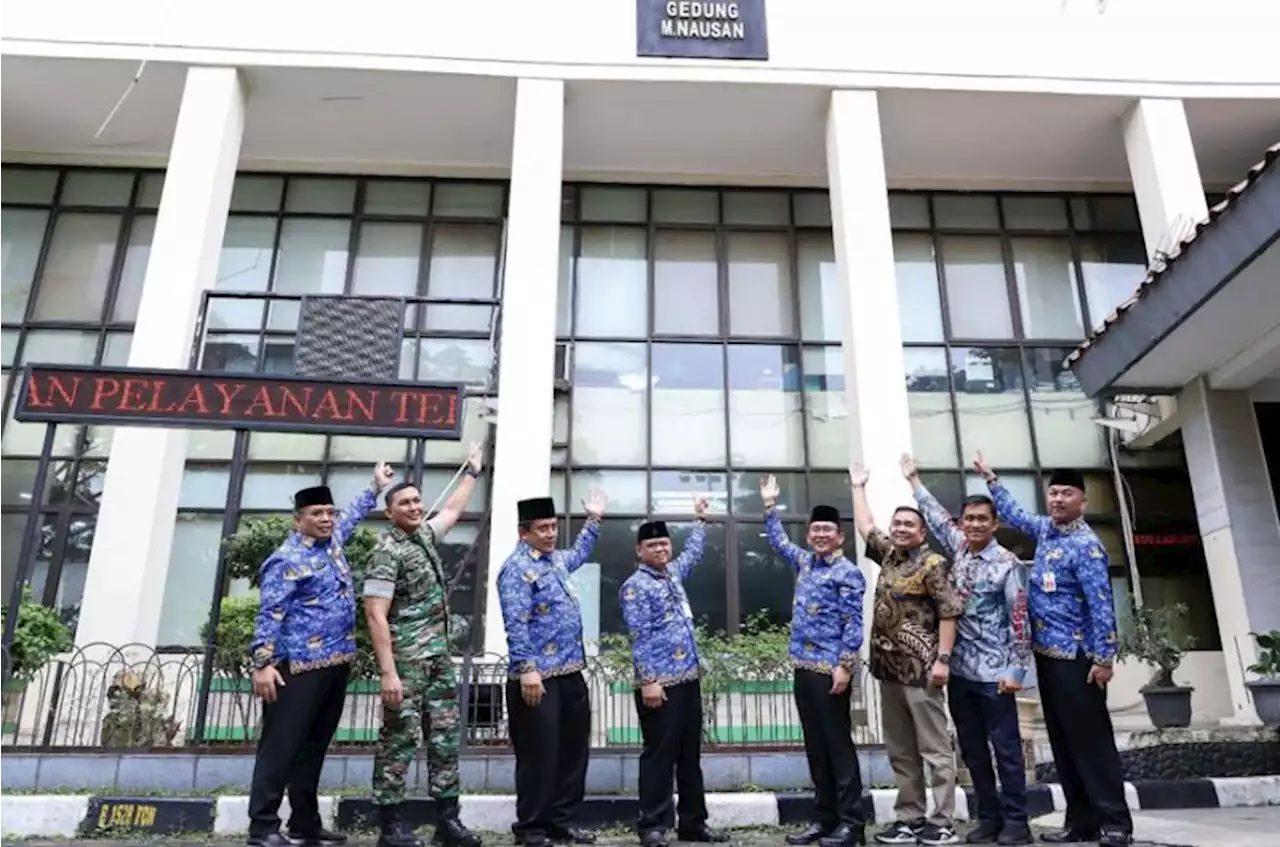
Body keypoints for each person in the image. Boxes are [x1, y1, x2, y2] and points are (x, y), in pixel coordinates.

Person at [973, 453, 1132, 847]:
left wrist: (1104, 658)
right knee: (1063, 743)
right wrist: (992, 480)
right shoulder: (1046, 531)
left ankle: (1115, 823)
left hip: (1080, 662)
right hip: (1048, 658)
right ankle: (1081, 823)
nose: (1058, 499)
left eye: (1067, 493)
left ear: (1083, 500)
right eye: (1054, 492)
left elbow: (1101, 604)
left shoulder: (1086, 546)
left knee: (1092, 744)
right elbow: (1014, 514)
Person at [246, 462, 395, 847]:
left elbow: (354, 515)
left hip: (334, 665)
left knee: (313, 748)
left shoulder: (332, 544)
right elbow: (269, 615)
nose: (327, 519)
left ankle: (304, 823)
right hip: (294, 669)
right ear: (299, 520)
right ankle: (262, 827)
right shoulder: (286, 559)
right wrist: (262, 664)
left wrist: (375, 487)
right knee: (281, 747)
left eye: (329, 512)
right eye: (317, 514)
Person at [902, 454, 1032, 846]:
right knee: (973, 751)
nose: (974, 525)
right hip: (959, 672)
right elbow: (936, 516)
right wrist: (914, 481)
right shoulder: (959, 548)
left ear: (994, 525)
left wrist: (1016, 669)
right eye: (969, 519)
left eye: (982, 519)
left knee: (1007, 752)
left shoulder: (1007, 565)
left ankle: (1017, 823)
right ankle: (989, 819)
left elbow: (1021, 620)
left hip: (996, 675)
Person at [362, 443, 487, 847]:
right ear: (390, 512)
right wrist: (388, 672)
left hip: (437, 660)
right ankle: (391, 826)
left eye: (418, 501)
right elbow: (375, 613)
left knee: (446, 738)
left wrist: (472, 471)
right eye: (405, 503)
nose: (415, 507)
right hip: (407, 662)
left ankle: (447, 821)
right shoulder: (387, 552)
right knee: (398, 738)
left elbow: (451, 512)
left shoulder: (424, 537)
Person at [849, 464, 963, 847]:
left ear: (922, 532)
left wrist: (943, 659)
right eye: (896, 523)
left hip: (922, 672)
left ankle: (942, 820)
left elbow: (949, 611)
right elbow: (865, 525)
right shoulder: (891, 556)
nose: (899, 528)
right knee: (901, 751)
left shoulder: (931, 564)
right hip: (889, 672)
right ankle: (909, 818)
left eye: (908, 525)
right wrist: (857, 486)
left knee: (935, 749)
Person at [758, 476, 868, 847]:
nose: (821, 534)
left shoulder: (847, 572)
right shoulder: (805, 562)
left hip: (831, 672)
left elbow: (854, 623)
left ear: (841, 537)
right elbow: (777, 542)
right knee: (816, 748)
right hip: (803, 668)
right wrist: (771, 507)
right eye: (815, 529)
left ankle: (852, 824)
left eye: (828, 530)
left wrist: (845, 665)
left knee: (838, 746)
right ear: (809, 536)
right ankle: (824, 820)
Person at [497, 490, 609, 847]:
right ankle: (531, 827)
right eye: (542, 528)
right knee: (538, 757)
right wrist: (527, 669)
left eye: (553, 526)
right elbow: (515, 623)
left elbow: (579, 553)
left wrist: (593, 520)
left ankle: (562, 821)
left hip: (570, 672)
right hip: (536, 678)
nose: (549, 533)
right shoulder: (516, 570)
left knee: (572, 753)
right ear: (523, 532)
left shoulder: (555, 561)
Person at [618, 497, 728, 847]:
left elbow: (693, 554)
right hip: (659, 686)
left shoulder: (672, 574)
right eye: (652, 545)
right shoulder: (635, 586)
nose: (660, 549)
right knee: (659, 757)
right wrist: (649, 680)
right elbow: (639, 637)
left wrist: (699, 521)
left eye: (664, 543)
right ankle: (653, 826)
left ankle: (694, 823)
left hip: (688, 680)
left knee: (689, 757)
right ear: (640, 551)